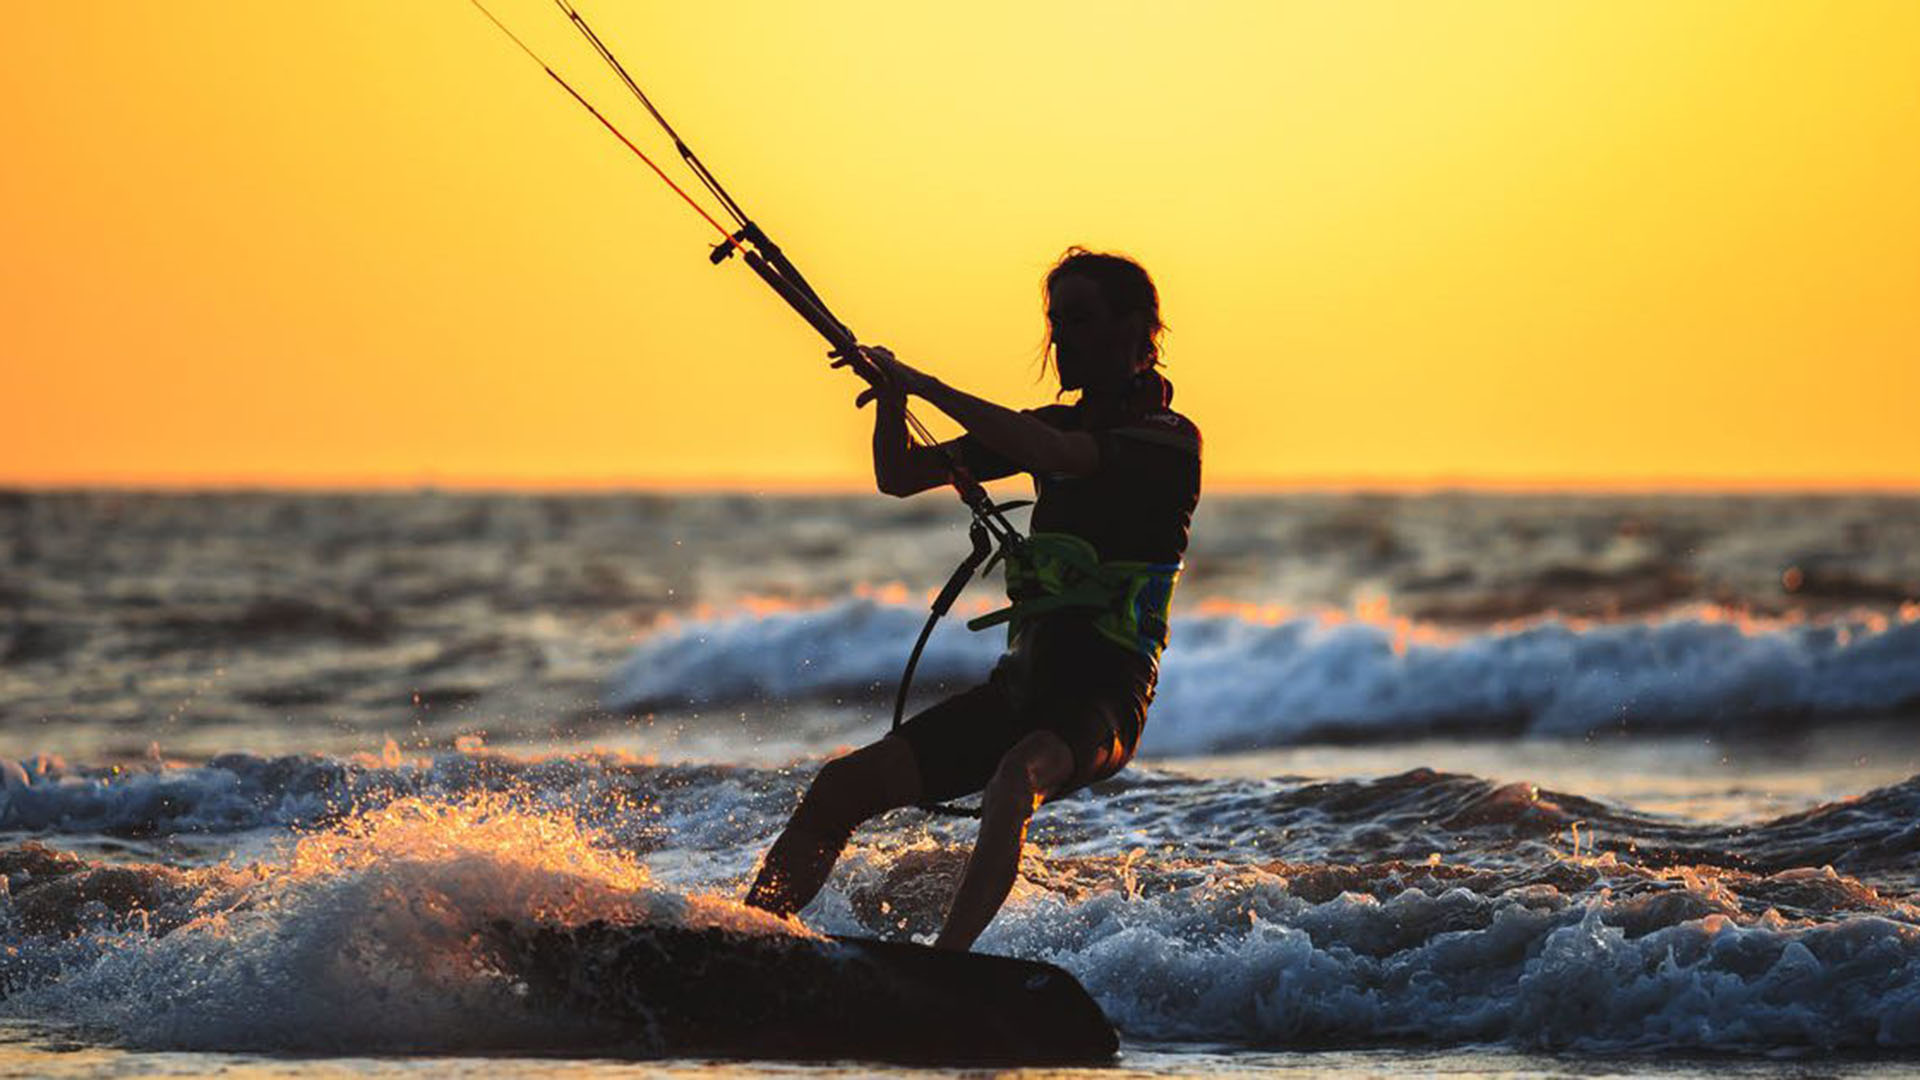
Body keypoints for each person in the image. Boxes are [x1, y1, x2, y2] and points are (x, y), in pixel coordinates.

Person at [744, 248, 1201, 951]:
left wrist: (926, 382)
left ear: (1138, 330)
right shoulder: (1056, 424)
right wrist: (892, 400)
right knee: (839, 788)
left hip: (1103, 702)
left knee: (1014, 781)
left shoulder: (1168, 441)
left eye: (1079, 320)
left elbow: (1056, 454)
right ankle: (748, 941)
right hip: (1022, 688)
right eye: (1054, 321)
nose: (1060, 339)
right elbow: (900, 476)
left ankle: (946, 968)